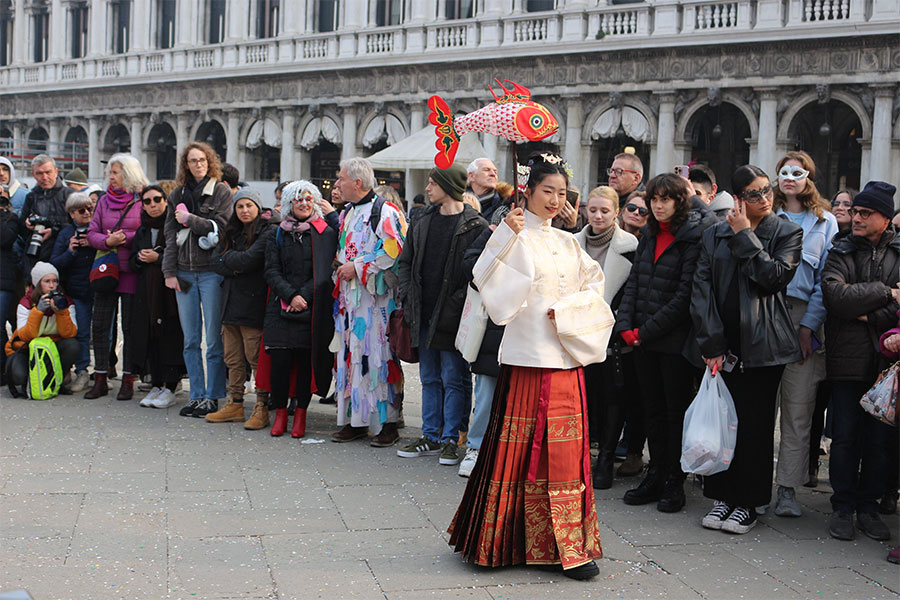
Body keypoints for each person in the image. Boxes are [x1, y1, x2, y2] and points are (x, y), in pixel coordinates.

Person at [449, 153, 615, 581]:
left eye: (562, 193)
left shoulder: (568, 242)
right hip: (527, 359)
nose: (556, 200)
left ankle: (568, 547)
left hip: (565, 359)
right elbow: (489, 287)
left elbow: (595, 286)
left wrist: (572, 313)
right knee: (517, 453)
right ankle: (502, 540)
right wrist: (504, 235)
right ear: (528, 191)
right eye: (548, 191)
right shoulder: (513, 235)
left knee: (565, 456)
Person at [691, 164, 803, 534]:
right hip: (722, 342)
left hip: (764, 344)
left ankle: (749, 501)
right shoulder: (714, 234)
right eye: (754, 194)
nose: (765, 198)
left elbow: (772, 277)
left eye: (767, 190)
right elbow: (701, 289)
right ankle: (722, 495)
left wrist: (745, 236)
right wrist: (711, 343)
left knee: (754, 426)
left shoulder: (787, 231)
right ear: (738, 199)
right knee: (722, 421)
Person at [615, 174, 706, 513]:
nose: (658, 205)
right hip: (642, 339)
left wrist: (645, 331)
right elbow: (635, 282)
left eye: (666, 199)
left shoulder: (692, 238)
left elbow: (685, 296)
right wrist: (626, 325)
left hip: (673, 341)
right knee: (650, 410)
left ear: (680, 202)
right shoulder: (650, 234)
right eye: (654, 199)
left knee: (674, 413)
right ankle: (654, 473)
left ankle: (674, 479)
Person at [822, 181, 899, 543]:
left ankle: (868, 507)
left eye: (865, 213)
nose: (856, 218)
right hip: (846, 359)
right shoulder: (840, 249)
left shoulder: (898, 252)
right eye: (855, 211)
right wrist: (887, 293)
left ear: (885, 218)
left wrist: (871, 314)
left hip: (886, 363)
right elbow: (837, 297)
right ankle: (842, 507)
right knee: (845, 438)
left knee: (879, 441)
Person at [397, 164, 487, 462]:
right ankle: (430, 435)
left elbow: (477, 273)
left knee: (452, 378)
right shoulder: (422, 219)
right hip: (422, 311)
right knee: (429, 377)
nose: (427, 188)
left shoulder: (475, 225)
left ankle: (451, 438)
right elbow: (405, 262)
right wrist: (406, 294)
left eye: (433, 183)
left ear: (447, 186)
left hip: (453, 316)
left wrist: (458, 303)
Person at [770, 151, 840, 518]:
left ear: (809, 178)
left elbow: (826, 279)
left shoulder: (825, 222)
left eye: (797, 172)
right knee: (761, 407)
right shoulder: (766, 215)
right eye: (783, 172)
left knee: (798, 410)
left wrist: (809, 325)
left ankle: (787, 488)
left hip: (803, 317)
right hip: (766, 314)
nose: (789, 178)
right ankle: (751, 484)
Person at [330, 158, 407, 446]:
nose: (337, 184)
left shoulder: (386, 212)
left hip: (376, 302)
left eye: (341, 179)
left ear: (357, 183)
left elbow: (394, 250)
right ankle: (355, 418)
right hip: (350, 301)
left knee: (379, 356)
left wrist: (358, 266)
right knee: (352, 356)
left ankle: (387, 422)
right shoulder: (347, 212)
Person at [574, 186, 639, 489]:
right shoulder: (570, 243)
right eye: (593, 209)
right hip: (577, 332)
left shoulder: (631, 245)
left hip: (614, 334)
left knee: (613, 398)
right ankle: (580, 457)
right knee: (581, 397)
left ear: (616, 213)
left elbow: (633, 292)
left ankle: (605, 460)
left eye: (605, 211)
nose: (598, 216)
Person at [162, 141, 233, 418]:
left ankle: (214, 396)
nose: (198, 164)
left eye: (202, 160)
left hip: (211, 270)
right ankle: (197, 395)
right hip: (183, 271)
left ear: (210, 161)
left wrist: (190, 219)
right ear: (186, 165)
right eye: (193, 161)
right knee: (190, 339)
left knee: (213, 339)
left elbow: (223, 227)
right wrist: (169, 273)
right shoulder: (176, 193)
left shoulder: (221, 191)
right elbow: (169, 236)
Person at [263, 181, 337, 438]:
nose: (304, 204)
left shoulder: (324, 232)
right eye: (298, 200)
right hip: (280, 308)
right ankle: (281, 413)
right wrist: (289, 295)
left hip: (311, 307)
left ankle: (301, 415)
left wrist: (302, 296)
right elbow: (271, 269)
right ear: (289, 204)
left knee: (306, 365)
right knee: (280, 364)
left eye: (308, 199)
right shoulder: (277, 232)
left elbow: (325, 271)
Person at [205, 188, 274, 427]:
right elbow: (214, 262)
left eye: (249, 206)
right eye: (240, 206)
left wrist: (231, 261)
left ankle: (262, 406)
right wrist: (235, 263)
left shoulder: (268, 230)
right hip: (230, 303)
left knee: (255, 359)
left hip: (253, 305)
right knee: (232, 358)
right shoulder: (231, 231)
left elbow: (250, 260)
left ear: (258, 207)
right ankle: (234, 403)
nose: (244, 210)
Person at [84, 153, 146, 400]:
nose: (111, 177)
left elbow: (146, 230)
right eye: (110, 172)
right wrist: (107, 240)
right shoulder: (103, 201)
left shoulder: (142, 199)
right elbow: (92, 232)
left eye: (116, 172)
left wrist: (124, 238)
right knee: (99, 325)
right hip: (105, 270)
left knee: (129, 327)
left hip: (130, 270)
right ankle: (100, 376)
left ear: (128, 174)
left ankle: (128, 378)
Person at [129, 184, 185, 408]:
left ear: (166, 201)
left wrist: (158, 258)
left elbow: (181, 256)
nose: (153, 205)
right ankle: (156, 382)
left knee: (170, 334)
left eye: (157, 199)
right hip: (146, 291)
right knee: (149, 334)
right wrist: (141, 258)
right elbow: (132, 261)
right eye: (147, 201)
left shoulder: (175, 226)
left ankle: (171, 385)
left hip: (168, 291)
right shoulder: (142, 229)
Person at [4, 262, 78, 397]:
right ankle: (32, 381)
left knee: (72, 345)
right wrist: (38, 311)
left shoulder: (65, 302)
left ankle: (57, 381)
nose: (52, 285)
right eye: (47, 281)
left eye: (55, 281)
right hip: (27, 348)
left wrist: (61, 312)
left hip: (53, 348)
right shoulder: (25, 303)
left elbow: (70, 333)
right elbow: (25, 335)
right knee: (19, 377)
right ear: (38, 284)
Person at [49, 192, 95, 393]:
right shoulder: (67, 233)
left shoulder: (98, 229)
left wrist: (95, 242)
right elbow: (54, 264)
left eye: (90, 208)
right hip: (77, 291)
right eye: (81, 210)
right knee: (82, 333)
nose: (86, 213)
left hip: (101, 288)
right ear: (71, 214)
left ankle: (104, 371)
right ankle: (82, 371)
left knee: (105, 335)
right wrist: (70, 251)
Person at [19, 155, 73, 274]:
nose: (44, 177)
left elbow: (78, 225)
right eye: (39, 173)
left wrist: (54, 231)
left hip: (62, 256)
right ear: (33, 174)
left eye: (48, 172)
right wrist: (27, 225)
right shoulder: (31, 197)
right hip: (34, 255)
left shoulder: (70, 195)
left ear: (56, 172)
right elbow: (21, 230)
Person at [0, 185, 20, 381]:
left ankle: (6, 369)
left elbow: (5, 238)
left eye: (3, 198)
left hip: (4, 279)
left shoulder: (11, 218)